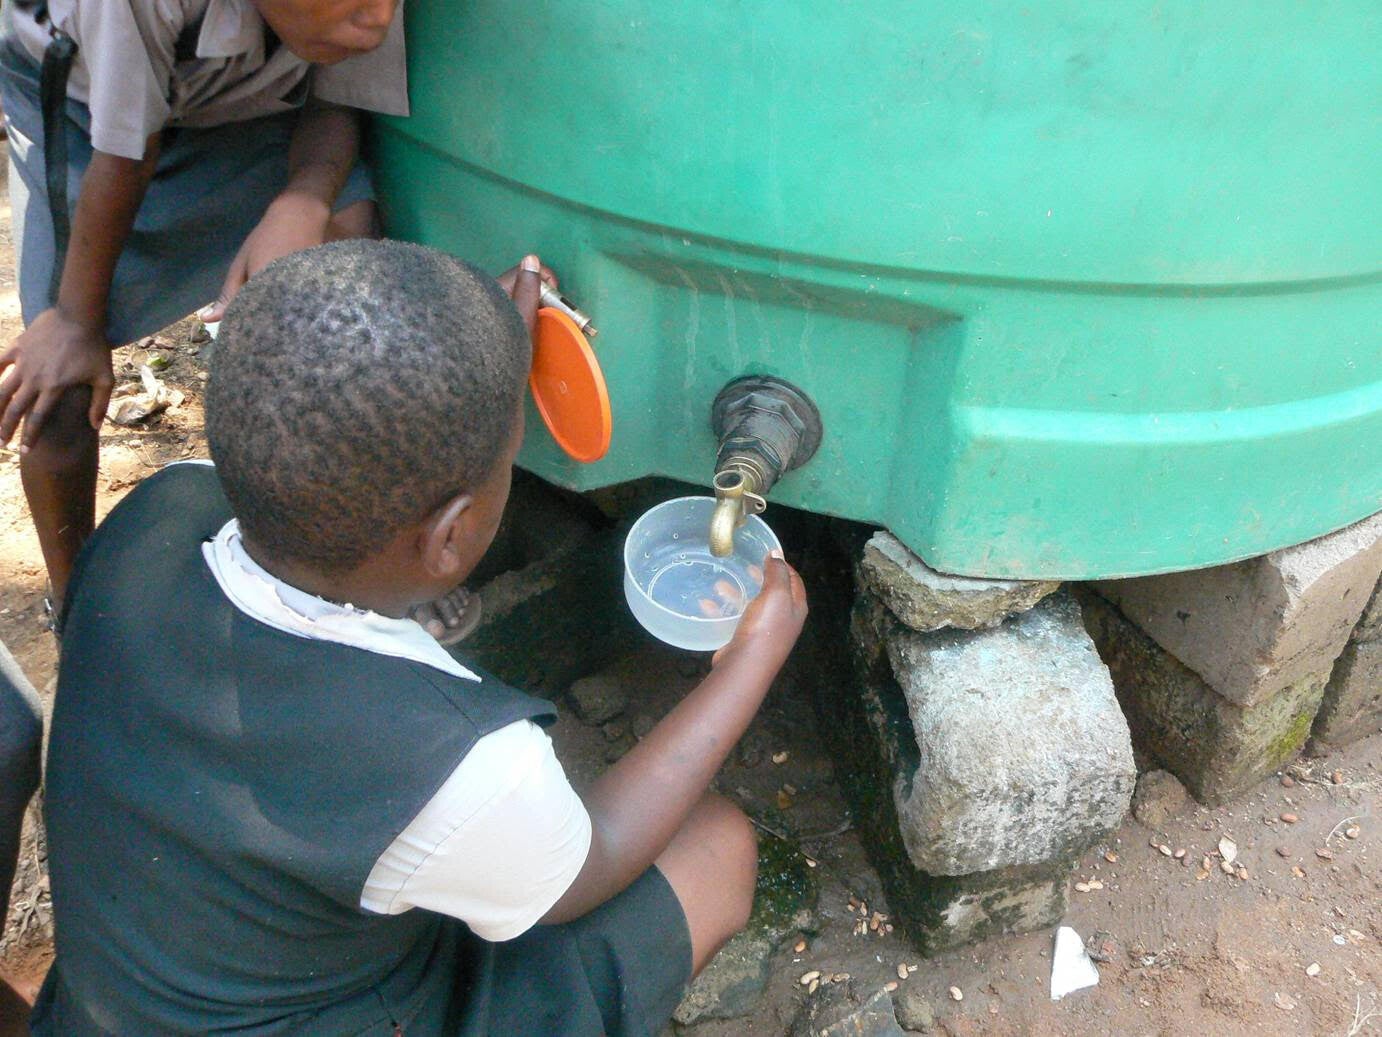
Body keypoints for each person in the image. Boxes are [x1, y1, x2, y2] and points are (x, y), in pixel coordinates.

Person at [34, 240, 809, 1035]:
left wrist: (474, 355)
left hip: (120, 1000)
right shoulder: (460, 761)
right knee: (714, 848)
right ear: (448, 538)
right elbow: (598, 855)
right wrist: (747, 664)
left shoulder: (157, 517)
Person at [0, 0, 478, 641]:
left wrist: (304, 199)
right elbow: (125, 150)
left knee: (353, 288)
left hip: (247, 106)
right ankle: (79, 607)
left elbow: (337, 102)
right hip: (87, 115)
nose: (379, 20)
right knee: (59, 382)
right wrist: (77, 321)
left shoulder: (354, 11)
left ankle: (378, 558)